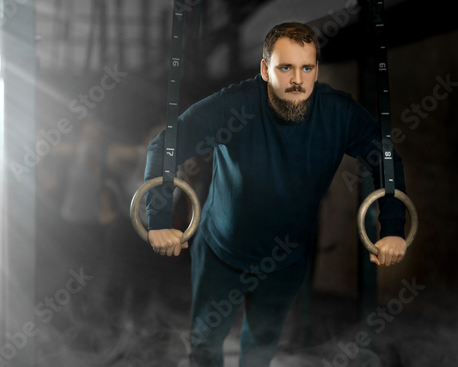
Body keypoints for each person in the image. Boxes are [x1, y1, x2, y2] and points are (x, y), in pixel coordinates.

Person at [143, 22, 408, 366]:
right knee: (205, 343)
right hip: (220, 252)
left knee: (262, 346)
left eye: (306, 68)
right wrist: (158, 218)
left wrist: (392, 228)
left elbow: (387, 160)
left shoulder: (339, 113)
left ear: (316, 71)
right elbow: (165, 145)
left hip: (285, 260)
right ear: (265, 70)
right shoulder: (234, 105)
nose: (297, 79)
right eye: (285, 67)